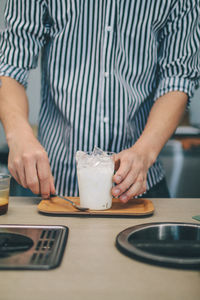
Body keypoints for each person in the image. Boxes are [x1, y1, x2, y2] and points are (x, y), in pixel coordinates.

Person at [0, 0, 199, 201]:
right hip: (49, 184)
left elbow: (178, 78)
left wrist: (145, 152)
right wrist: (19, 135)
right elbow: (10, 65)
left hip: (139, 187)